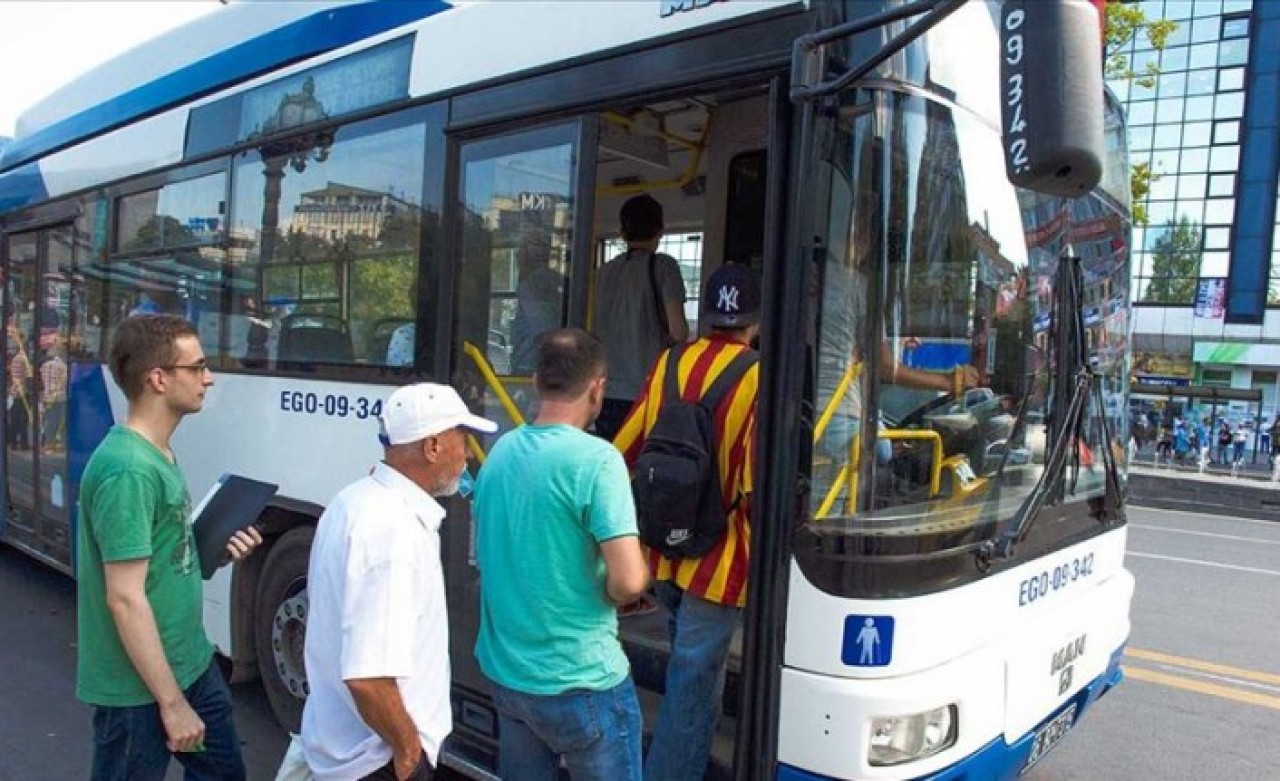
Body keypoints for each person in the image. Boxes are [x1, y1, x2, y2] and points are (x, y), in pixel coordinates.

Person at [76, 314, 262, 781]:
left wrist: (216, 550)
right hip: (140, 692)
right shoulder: (128, 470)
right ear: (158, 378)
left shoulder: (158, 453)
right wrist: (172, 705)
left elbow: (164, 561)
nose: (209, 377)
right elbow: (124, 597)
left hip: (191, 664)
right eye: (197, 367)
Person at [472, 328, 649, 781]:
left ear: (536, 382)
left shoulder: (500, 453)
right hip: (582, 681)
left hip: (509, 679)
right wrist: (614, 591)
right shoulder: (598, 461)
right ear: (598, 388)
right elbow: (628, 581)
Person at [301, 383, 497, 781]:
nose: (468, 454)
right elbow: (368, 677)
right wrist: (409, 753)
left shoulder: (355, 500)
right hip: (377, 762)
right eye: (463, 438)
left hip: (347, 750)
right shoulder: (394, 535)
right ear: (433, 446)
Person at [613, 265, 762, 781]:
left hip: (662, 553)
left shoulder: (669, 363)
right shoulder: (759, 376)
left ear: (706, 315)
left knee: (693, 674)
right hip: (719, 567)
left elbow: (626, 449)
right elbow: (753, 490)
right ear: (754, 321)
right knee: (691, 691)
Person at [592, 194, 690, 440]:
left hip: (605, 392)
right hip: (646, 391)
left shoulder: (604, 272)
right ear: (661, 231)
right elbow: (678, 332)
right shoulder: (665, 267)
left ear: (623, 233)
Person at [509, 231, 566, 374]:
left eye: (520, 253)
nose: (517, 259)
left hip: (530, 367)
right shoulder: (557, 280)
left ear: (527, 257)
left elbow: (542, 330)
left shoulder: (531, 284)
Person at [39, 346, 68, 448]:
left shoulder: (44, 366)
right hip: (60, 397)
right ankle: (62, 443)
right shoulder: (63, 366)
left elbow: (42, 379)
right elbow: (65, 382)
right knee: (62, 421)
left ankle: (48, 442)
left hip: (47, 396)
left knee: (50, 420)